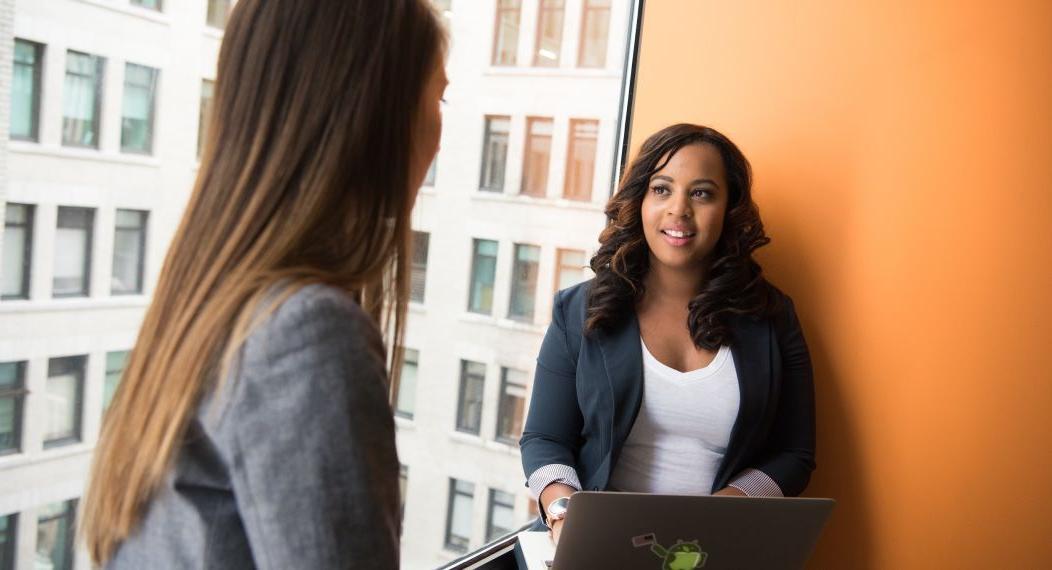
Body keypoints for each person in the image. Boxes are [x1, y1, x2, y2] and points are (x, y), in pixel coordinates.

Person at [81, 1, 447, 567]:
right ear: (377, 115)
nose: (439, 136)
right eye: (438, 96)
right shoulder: (308, 333)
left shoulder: (215, 300)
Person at [519, 123, 816, 544]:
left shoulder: (772, 317)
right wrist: (565, 514)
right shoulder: (577, 310)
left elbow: (794, 454)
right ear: (640, 200)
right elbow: (544, 439)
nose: (679, 210)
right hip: (596, 545)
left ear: (728, 208)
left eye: (701, 193)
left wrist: (722, 510)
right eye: (662, 189)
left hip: (711, 549)